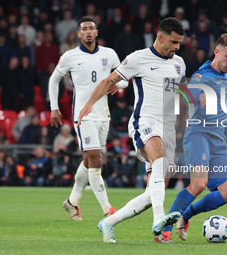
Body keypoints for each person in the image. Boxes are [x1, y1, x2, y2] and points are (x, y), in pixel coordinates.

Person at [77, 17, 186, 243]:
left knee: (152, 193)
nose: (177, 47)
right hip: (144, 122)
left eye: (179, 43)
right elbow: (110, 80)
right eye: (174, 42)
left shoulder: (180, 63)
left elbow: (168, 90)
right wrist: (89, 104)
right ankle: (159, 219)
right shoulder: (138, 57)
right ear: (160, 38)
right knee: (160, 162)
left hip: (168, 129)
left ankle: (108, 223)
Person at [160, 33, 227, 242]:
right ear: (217, 51)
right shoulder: (201, 76)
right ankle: (164, 230)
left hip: (218, 141)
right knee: (198, 184)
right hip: (198, 135)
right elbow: (188, 93)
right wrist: (200, 95)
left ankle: (185, 216)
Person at [49, 16, 127, 221]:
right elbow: (53, 79)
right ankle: (107, 208)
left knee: (89, 160)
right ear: (79, 34)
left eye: (91, 28)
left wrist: (119, 85)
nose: (88, 32)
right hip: (83, 116)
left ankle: (72, 202)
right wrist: (54, 107)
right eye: (84, 29)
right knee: (96, 158)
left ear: (97, 32)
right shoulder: (70, 56)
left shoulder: (109, 54)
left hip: (104, 115)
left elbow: (126, 77)